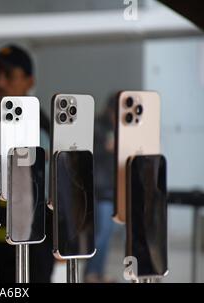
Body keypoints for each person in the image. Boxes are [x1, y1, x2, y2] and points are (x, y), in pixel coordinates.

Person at [0, 45, 54, 283]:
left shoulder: (36, 126)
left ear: (29, 81)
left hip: (32, 244)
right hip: (2, 242)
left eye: (8, 75)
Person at [84, 97, 117, 283]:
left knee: (106, 234)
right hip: (99, 189)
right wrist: (107, 148)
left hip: (112, 189)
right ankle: (91, 273)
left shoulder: (117, 128)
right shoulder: (98, 126)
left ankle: (98, 272)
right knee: (100, 234)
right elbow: (90, 154)